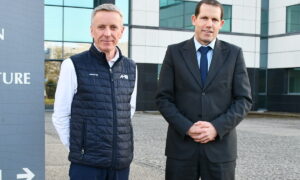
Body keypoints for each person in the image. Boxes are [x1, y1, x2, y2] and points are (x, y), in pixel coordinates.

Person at [156, 0, 252, 179]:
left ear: (221, 24)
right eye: (204, 18)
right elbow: (163, 98)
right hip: (182, 149)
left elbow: (243, 100)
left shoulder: (234, 54)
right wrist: (187, 127)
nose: (209, 24)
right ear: (194, 19)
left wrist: (216, 128)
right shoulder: (174, 53)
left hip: (220, 150)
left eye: (215, 20)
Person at [52, 4, 137, 180]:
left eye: (113, 27)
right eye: (101, 27)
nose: (107, 33)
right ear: (92, 31)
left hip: (120, 164)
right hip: (86, 166)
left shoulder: (131, 67)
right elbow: (60, 115)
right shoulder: (73, 64)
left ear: (121, 31)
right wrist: (79, 148)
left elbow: (129, 110)